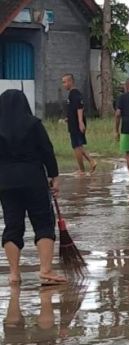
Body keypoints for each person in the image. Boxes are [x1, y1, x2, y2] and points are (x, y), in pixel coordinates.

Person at [0, 89, 66, 285]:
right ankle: (45, 270)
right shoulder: (33, 124)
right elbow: (47, 150)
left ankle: (14, 273)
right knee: (43, 222)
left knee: (12, 224)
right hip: (33, 179)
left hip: (5, 182)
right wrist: (54, 176)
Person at [62, 73, 96, 175]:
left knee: (77, 146)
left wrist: (80, 122)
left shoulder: (75, 93)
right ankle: (89, 163)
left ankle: (83, 168)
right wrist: (69, 118)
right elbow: (73, 109)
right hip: (73, 122)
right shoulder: (71, 94)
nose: (63, 84)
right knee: (77, 146)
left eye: (64, 82)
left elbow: (80, 107)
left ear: (70, 82)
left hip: (76, 124)